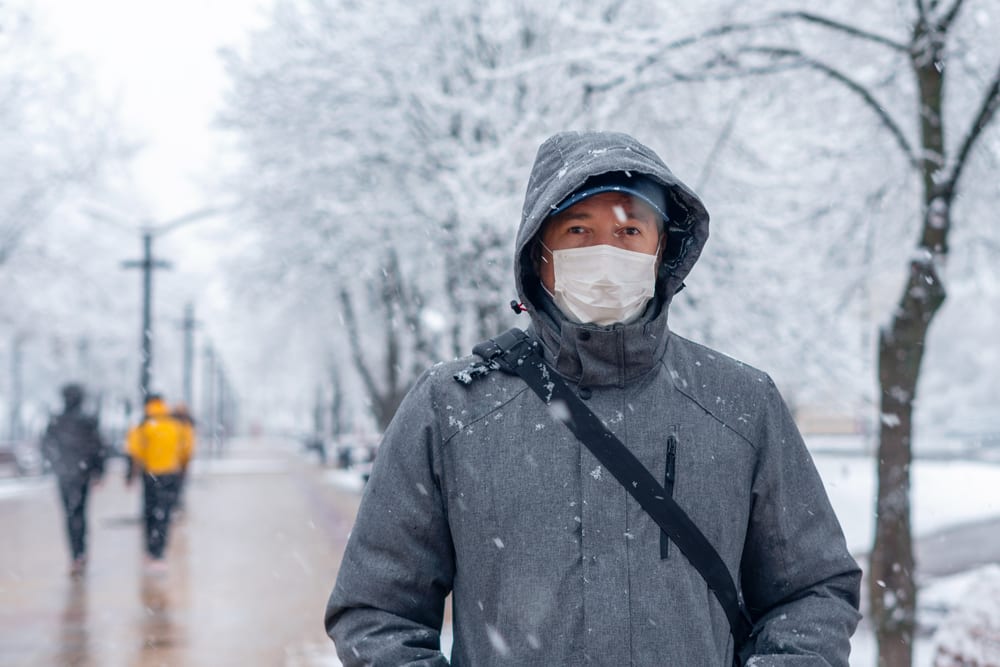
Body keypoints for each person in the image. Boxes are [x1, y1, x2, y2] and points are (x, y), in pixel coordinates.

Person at [325, 130, 861, 665]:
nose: (606, 253)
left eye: (630, 230)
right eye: (579, 229)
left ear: (662, 251)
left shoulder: (740, 405)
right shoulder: (453, 409)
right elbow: (376, 611)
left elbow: (812, 590)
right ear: (541, 254)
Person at [41, 383, 107, 576]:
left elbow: (46, 445)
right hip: (82, 475)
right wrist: (97, 471)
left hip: (65, 475)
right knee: (80, 513)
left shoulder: (56, 421)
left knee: (70, 514)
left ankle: (75, 555)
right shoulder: (88, 421)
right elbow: (98, 448)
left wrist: (56, 465)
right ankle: (80, 553)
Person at [125, 393, 193, 573]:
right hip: (171, 474)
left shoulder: (143, 425)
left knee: (149, 512)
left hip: (150, 475)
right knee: (164, 514)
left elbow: (135, 451)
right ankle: (159, 553)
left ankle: (150, 550)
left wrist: (131, 475)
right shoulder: (177, 425)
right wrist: (182, 467)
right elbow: (187, 448)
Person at [170, 402, 196, 512]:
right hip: (177, 462)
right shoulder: (186, 425)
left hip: (174, 462)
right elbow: (188, 446)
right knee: (178, 486)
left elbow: (187, 446)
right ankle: (176, 504)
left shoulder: (173, 425)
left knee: (176, 486)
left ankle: (175, 504)